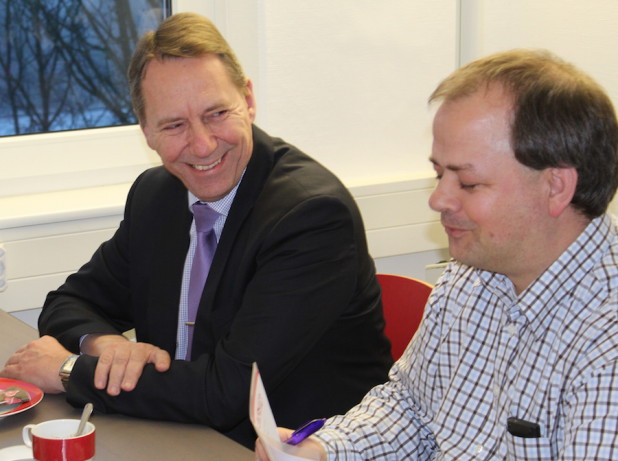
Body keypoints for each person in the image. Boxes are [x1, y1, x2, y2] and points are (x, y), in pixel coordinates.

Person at [0, 12, 392, 448]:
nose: (203, 145)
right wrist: (106, 347)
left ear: (248, 99)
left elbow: (228, 393)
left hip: (280, 448)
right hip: (173, 433)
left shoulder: (310, 217)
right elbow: (68, 302)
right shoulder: (157, 195)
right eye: (175, 125)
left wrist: (69, 370)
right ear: (147, 131)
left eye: (217, 113)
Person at [256, 49, 618, 460]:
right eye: (438, 174)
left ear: (555, 187)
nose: (438, 199)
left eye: (467, 183)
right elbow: (412, 408)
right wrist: (324, 450)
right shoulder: (474, 273)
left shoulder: (607, 342)